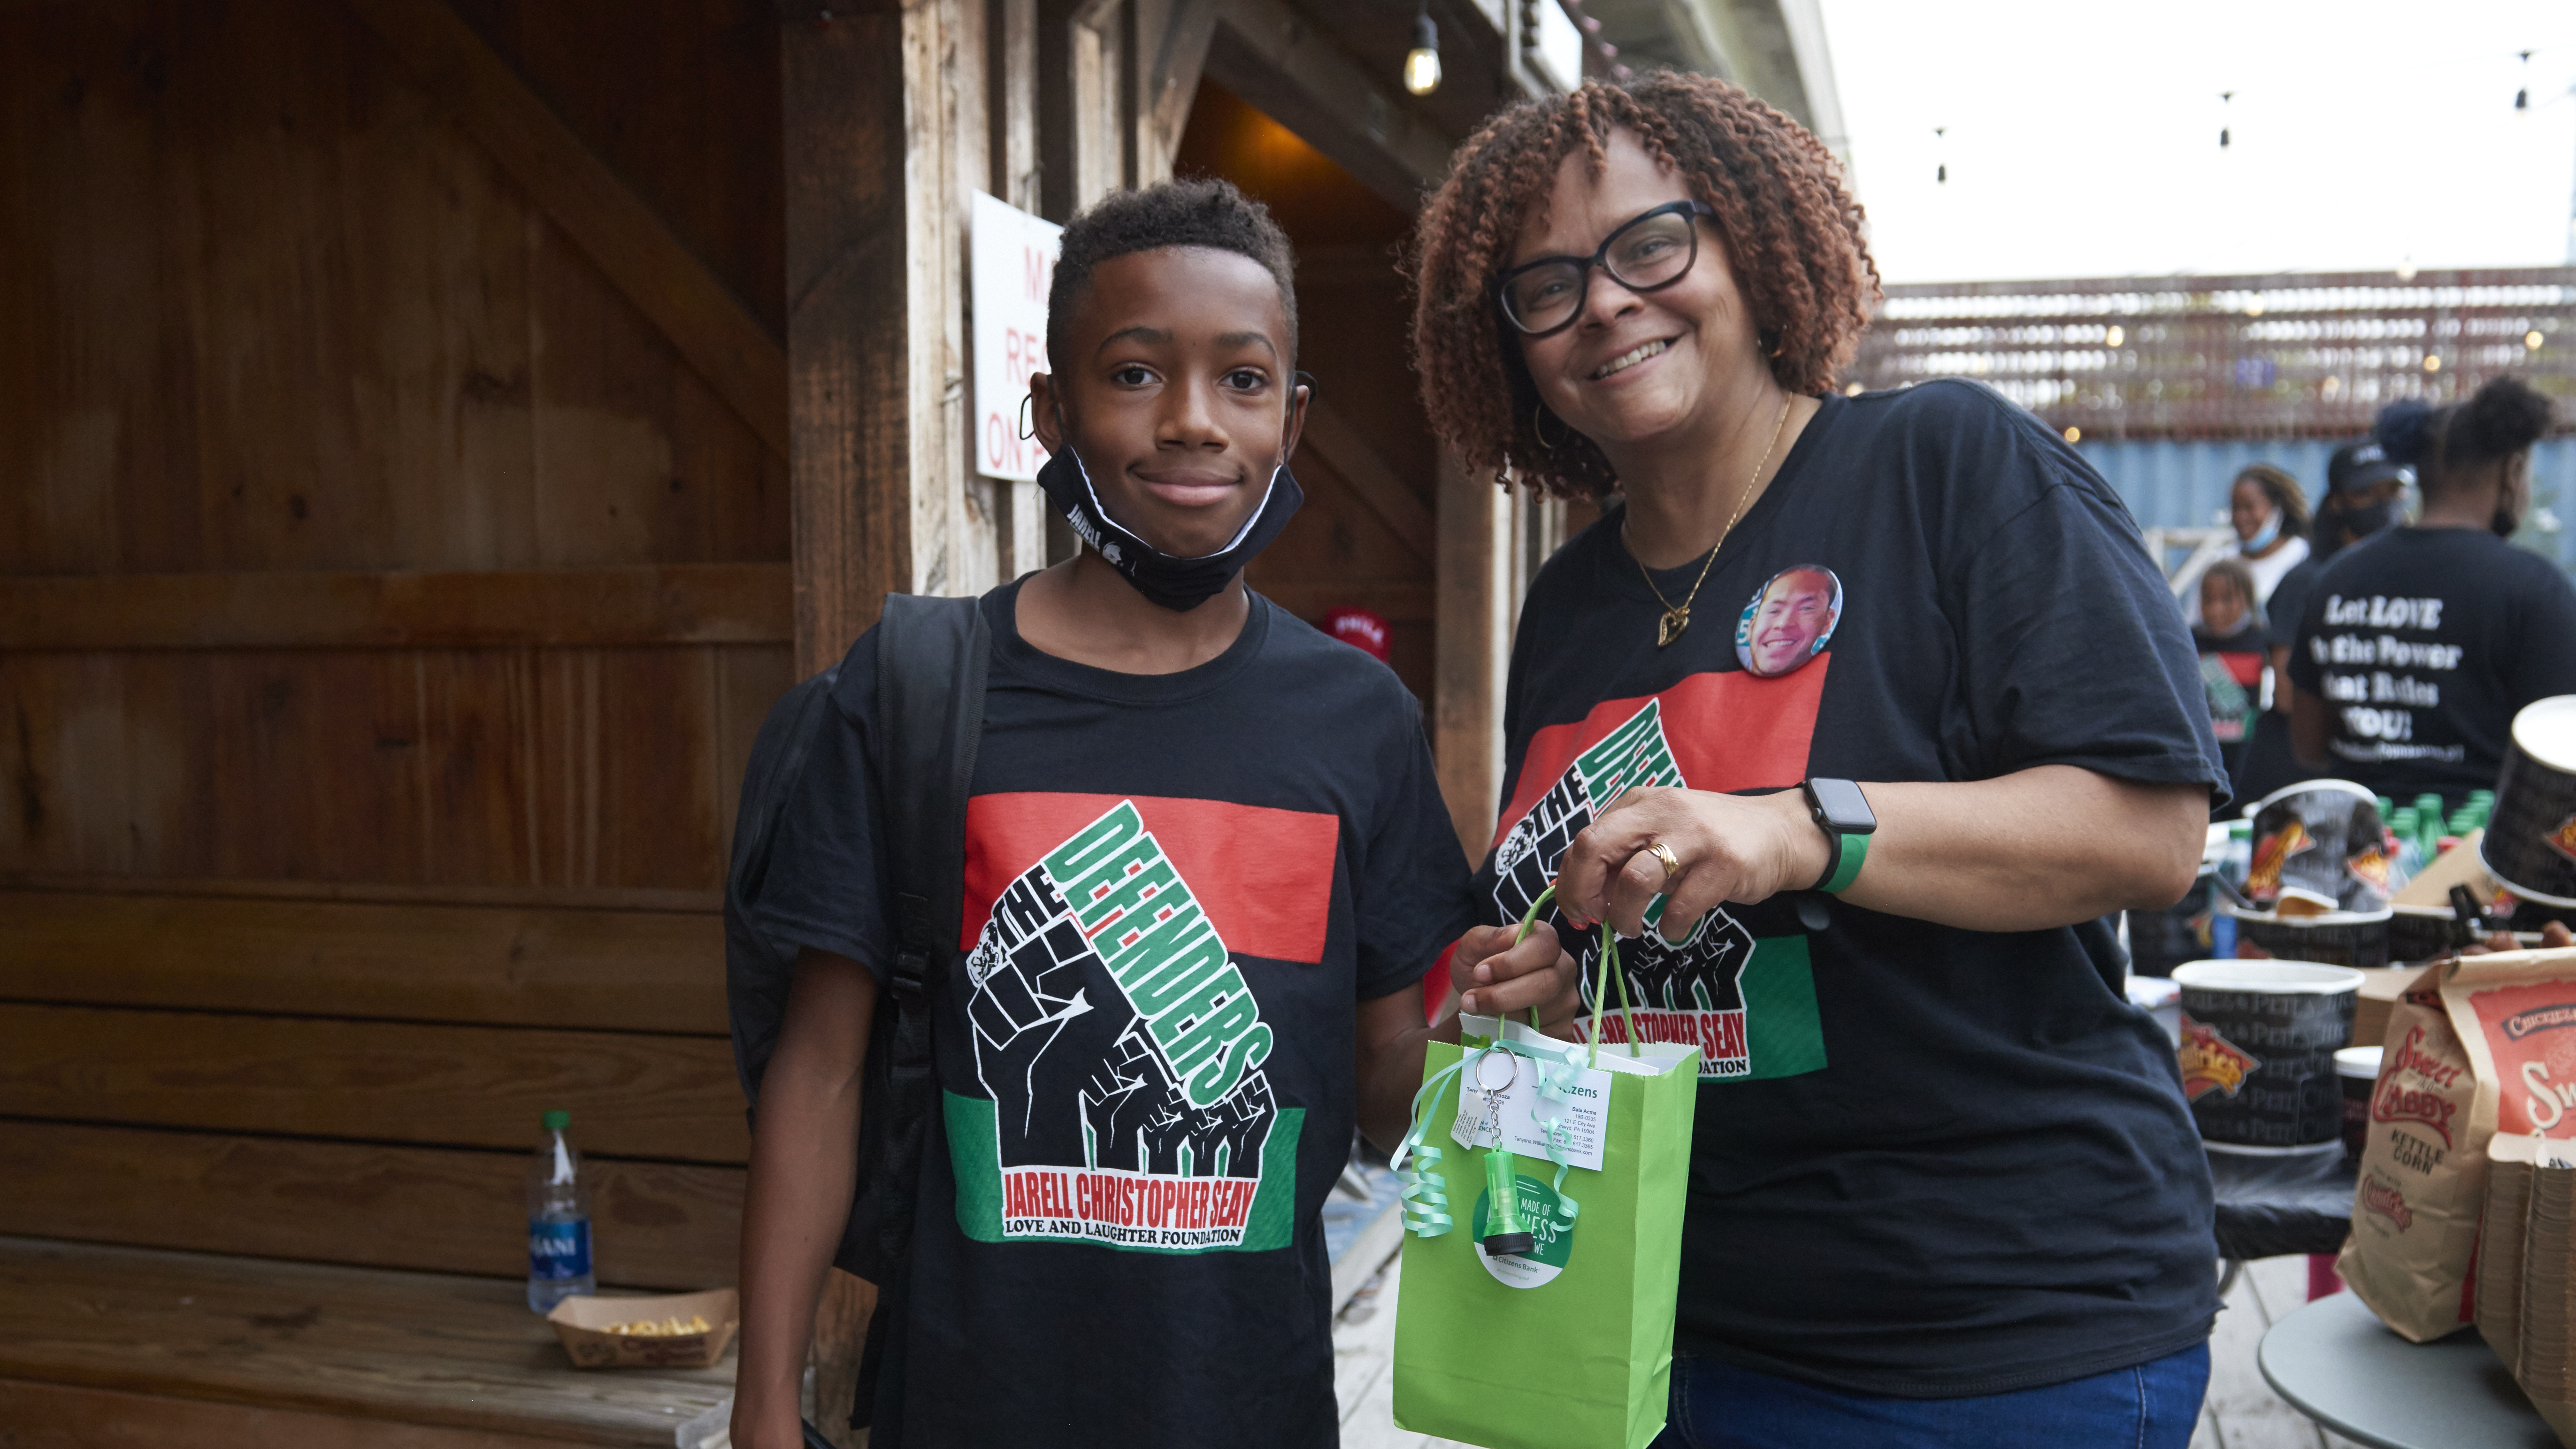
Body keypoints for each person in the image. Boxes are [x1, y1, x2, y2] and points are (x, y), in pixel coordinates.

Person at [1410, 73, 2223, 1448]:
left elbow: (2147, 835)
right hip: (1649, 1333)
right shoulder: (1566, 604)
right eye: (1544, 285)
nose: (1602, 302)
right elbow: (1603, 936)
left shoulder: (1946, 466)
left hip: (1989, 1341)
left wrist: (1796, 829)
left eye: (1648, 245)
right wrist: (1538, 977)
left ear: (1747, 242)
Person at [728, 179, 1576, 1449]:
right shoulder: (914, 692)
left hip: (1250, 1406)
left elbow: (1387, 1098)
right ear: (1051, 412)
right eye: (1134, 373)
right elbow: (821, 1068)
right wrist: (763, 1405)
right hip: (960, 1404)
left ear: (1291, 419)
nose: (1192, 419)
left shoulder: (1358, 719)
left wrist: (1494, 1024)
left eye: (1243, 380)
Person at [2288, 378, 2576, 815]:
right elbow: (2558, 754)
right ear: (2513, 472)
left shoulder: (2335, 580)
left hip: (2358, 843)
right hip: (2481, 845)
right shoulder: (2534, 588)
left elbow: (2309, 746)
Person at [2232, 440, 2410, 805]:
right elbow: (2287, 694)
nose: (2384, 504)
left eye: (2392, 491)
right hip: (2298, 779)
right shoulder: (2309, 581)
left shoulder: (2399, 576)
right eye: (2367, 493)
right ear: (2336, 503)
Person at [2193, 557, 2266, 794]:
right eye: (2208, 599)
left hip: (2247, 758)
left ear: (2247, 600)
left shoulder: (2262, 643)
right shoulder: (2189, 642)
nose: (2216, 609)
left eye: (2227, 600)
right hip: (2202, 757)